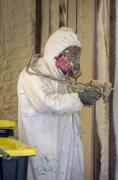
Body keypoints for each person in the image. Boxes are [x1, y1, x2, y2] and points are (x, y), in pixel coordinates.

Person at [17, 27, 101, 180]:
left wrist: (89, 90)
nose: (73, 61)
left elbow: (68, 99)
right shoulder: (33, 73)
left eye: (76, 55)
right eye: (70, 54)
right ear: (55, 51)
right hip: (44, 147)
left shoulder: (59, 77)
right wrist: (80, 98)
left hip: (64, 147)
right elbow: (45, 102)